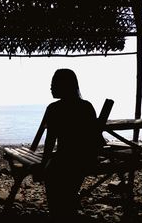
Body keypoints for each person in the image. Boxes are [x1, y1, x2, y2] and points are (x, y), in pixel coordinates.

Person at [36, 68, 105, 221]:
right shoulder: (86, 106)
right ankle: (66, 210)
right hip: (87, 159)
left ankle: (59, 214)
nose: (51, 87)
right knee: (68, 192)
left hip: (65, 160)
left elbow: (49, 142)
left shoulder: (54, 108)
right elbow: (97, 139)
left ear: (64, 85)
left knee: (54, 184)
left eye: (54, 83)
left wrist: (42, 165)